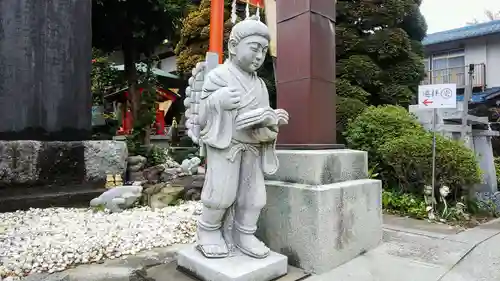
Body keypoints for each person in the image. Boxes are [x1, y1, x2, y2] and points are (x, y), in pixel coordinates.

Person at [193, 16, 288, 259]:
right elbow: (202, 116)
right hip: (227, 145)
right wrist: (218, 101)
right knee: (221, 192)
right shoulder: (219, 76)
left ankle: (244, 233)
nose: (259, 56)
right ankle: (209, 230)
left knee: (254, 196)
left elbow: (262, 117)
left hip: (253, 147)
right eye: (254, 48)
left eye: (264, 51)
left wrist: (271, 122)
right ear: (234, 47)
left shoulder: (261, 86)